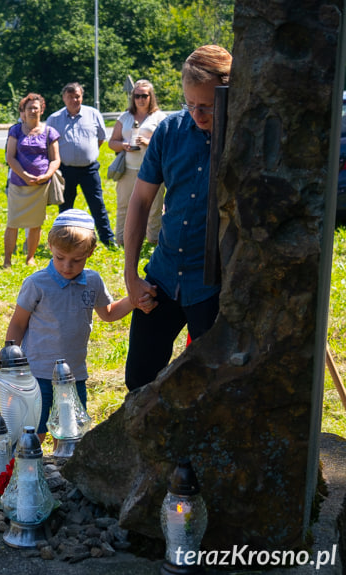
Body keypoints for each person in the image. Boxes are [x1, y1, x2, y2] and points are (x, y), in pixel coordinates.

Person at [123, 45, 232, 391]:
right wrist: (131, 276)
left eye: (208, 107)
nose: (198, 114)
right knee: (139, 380)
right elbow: (140, 202)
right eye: (190, 104)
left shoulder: (241, 138)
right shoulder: (170, 131)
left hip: (213, 285)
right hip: (163, 279)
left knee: (213, 388)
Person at [6, 210, 140, 440]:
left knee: (70, 432)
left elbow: (107, 313)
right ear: (49, 247)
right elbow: (18, 324)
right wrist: (11, 364)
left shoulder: (92, 281)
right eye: (60, 258)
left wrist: (134, 300)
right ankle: (31, 470)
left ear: (90, 252)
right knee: (34, 432)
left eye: (77, 260)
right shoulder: (37, 283)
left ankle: (62, 468)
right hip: (37, 373)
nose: (67, 266)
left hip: (74, 375)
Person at [46, 82, 116, 248]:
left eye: (77, 96)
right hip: (65, 169)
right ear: (63, 98)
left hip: (89, 169)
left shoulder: (93, 114)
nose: (74, 100)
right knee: (65, 207)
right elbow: (49, 144)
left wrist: (87, 152)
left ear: (82, 97)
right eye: (70, 97)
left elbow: (100, 138)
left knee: (97, 205)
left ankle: (108, 239)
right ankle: (63, 238)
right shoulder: (54, 119)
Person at [107, 80, 168, 246]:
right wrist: (123, 145)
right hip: (128, 169)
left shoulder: (159, 117)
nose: (141, 99)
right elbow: (112, 142)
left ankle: (153, 240)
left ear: (151, 97)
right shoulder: (125, 117)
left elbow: (167, 144)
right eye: (137, 96)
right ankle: (121, 239)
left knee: (154, 207)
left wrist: (149, 142)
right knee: (124, 206)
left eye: (144, 96)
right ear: (133, 97)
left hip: (152, 170)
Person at [4, 93, 61, 268]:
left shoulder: (50, 132)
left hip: (41, 185)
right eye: (29, 108)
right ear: (24, 111)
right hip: (18, 184)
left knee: (36, 224)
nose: (32, 111)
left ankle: (30, 257)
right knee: (13, 222)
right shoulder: (15, 130)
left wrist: (47, 174)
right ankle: (7, 260)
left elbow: (55, 159)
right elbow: (10, 157)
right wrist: (24, 175)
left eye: (36, 107)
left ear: (42, 110)